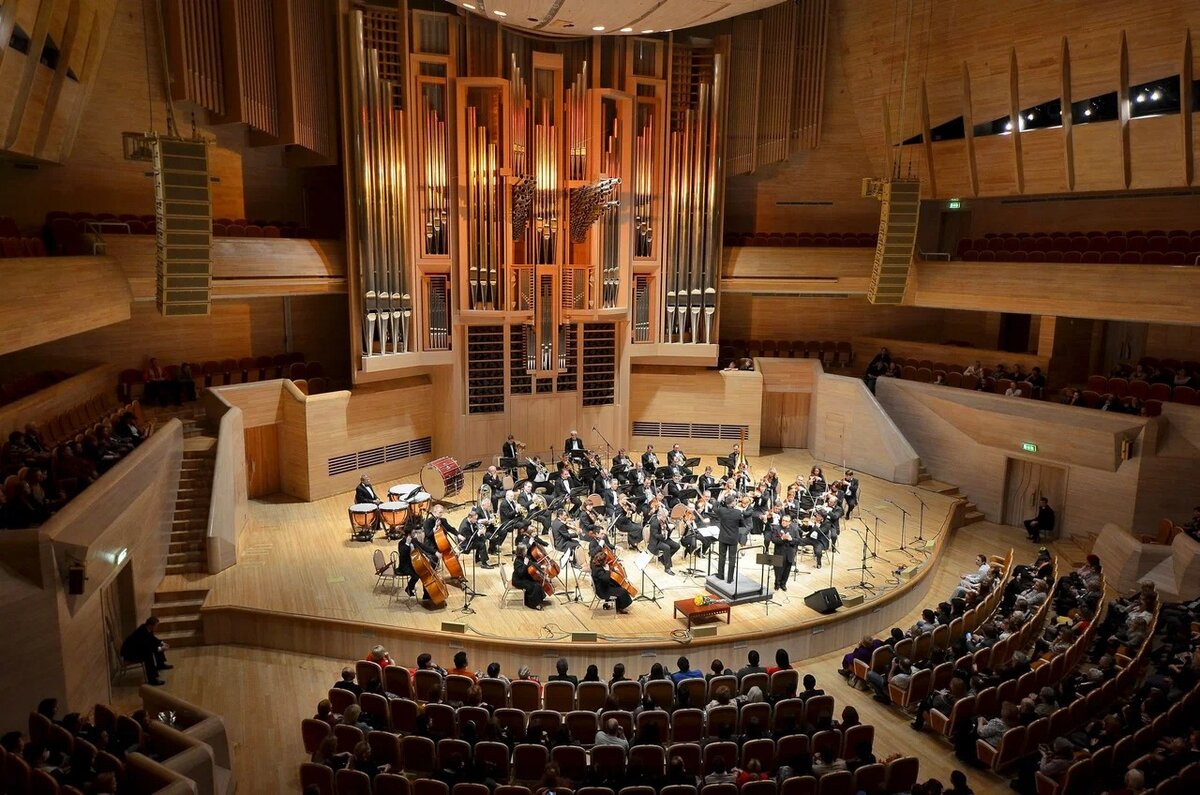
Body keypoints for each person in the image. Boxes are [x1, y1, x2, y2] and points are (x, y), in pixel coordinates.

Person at [120, 617, 172, 685]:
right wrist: (160, 649)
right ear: (150, 625)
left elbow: (153, 639)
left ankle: (160, 664)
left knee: (157, 645)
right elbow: (148, 648)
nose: (157, 627)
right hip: (130, 653)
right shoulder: (142, 632)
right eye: (156, 626)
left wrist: (162, 643)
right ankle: (152, 680)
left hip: (138, 649)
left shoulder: (146, 628)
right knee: (148, 655)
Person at [714, 494, 749, 582]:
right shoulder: (737, 512)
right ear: (733, 503)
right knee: (732, 558)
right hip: (733, 538)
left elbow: (714, 508)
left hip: (723, 537)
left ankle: (720, 575)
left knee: (722, 556)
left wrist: (718, 500)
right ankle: (730, 578)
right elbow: (742, 524)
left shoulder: (721, 510)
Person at [512, 544, 548, 610]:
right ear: (522, 551)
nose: (526, 550)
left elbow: (532, 563)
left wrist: (540, 566)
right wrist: (525, 564)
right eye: (525, 549)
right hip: (518, 580)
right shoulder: (517, 561)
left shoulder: (524, 557)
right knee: (535, 586)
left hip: (523, 577)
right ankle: (533, 604)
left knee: (536, 582)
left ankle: (536, 600)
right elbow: (520, 573)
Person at [770, 515, 799, 591]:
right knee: (778, 569)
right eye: (783, 520)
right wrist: (782, 538)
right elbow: (773, 539)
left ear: (789, 522)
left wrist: (791, 539)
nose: (783, 522)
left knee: (787, 570)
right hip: (779, 552)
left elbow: (798, 540)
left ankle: (783, 584)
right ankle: (777, 584)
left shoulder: (794, 529)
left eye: (786, 521)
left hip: (789, 552)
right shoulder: (776, 528)